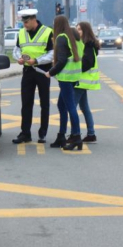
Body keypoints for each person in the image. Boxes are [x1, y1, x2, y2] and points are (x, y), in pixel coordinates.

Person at [12, 9, 54, 144]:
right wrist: (19, 58)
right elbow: (16, 50)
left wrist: (37, 61)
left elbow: (52, 53)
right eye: (23, 22)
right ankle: (25, 133)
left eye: (26, 22)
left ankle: (42, 133)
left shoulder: (47, 32)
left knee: (44, 103)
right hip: (28, 71)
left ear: (33, 19)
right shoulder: (22, 33)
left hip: (42, 70)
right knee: (26, 103)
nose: (24, 24)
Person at [45, 16, 84, 151]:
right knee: (62, 105)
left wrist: (51, 72)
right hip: (74, 76)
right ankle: (61, 136)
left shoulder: (61, 38)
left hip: (66, 78)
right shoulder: (74, 37)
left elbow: (61, 61)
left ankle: (76, 136)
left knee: (70, 107)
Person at [73, 22, 101, 144]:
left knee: (71, 107)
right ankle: (91, 133)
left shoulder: (87, 45)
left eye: (80, 29)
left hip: (81, 80)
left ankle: (75, 134)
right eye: (76, 29)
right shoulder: (86, 44)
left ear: (86, 31)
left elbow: (87, 63)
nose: (77, 31)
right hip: (83, 81)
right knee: (84, 107)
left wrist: (75, 67)